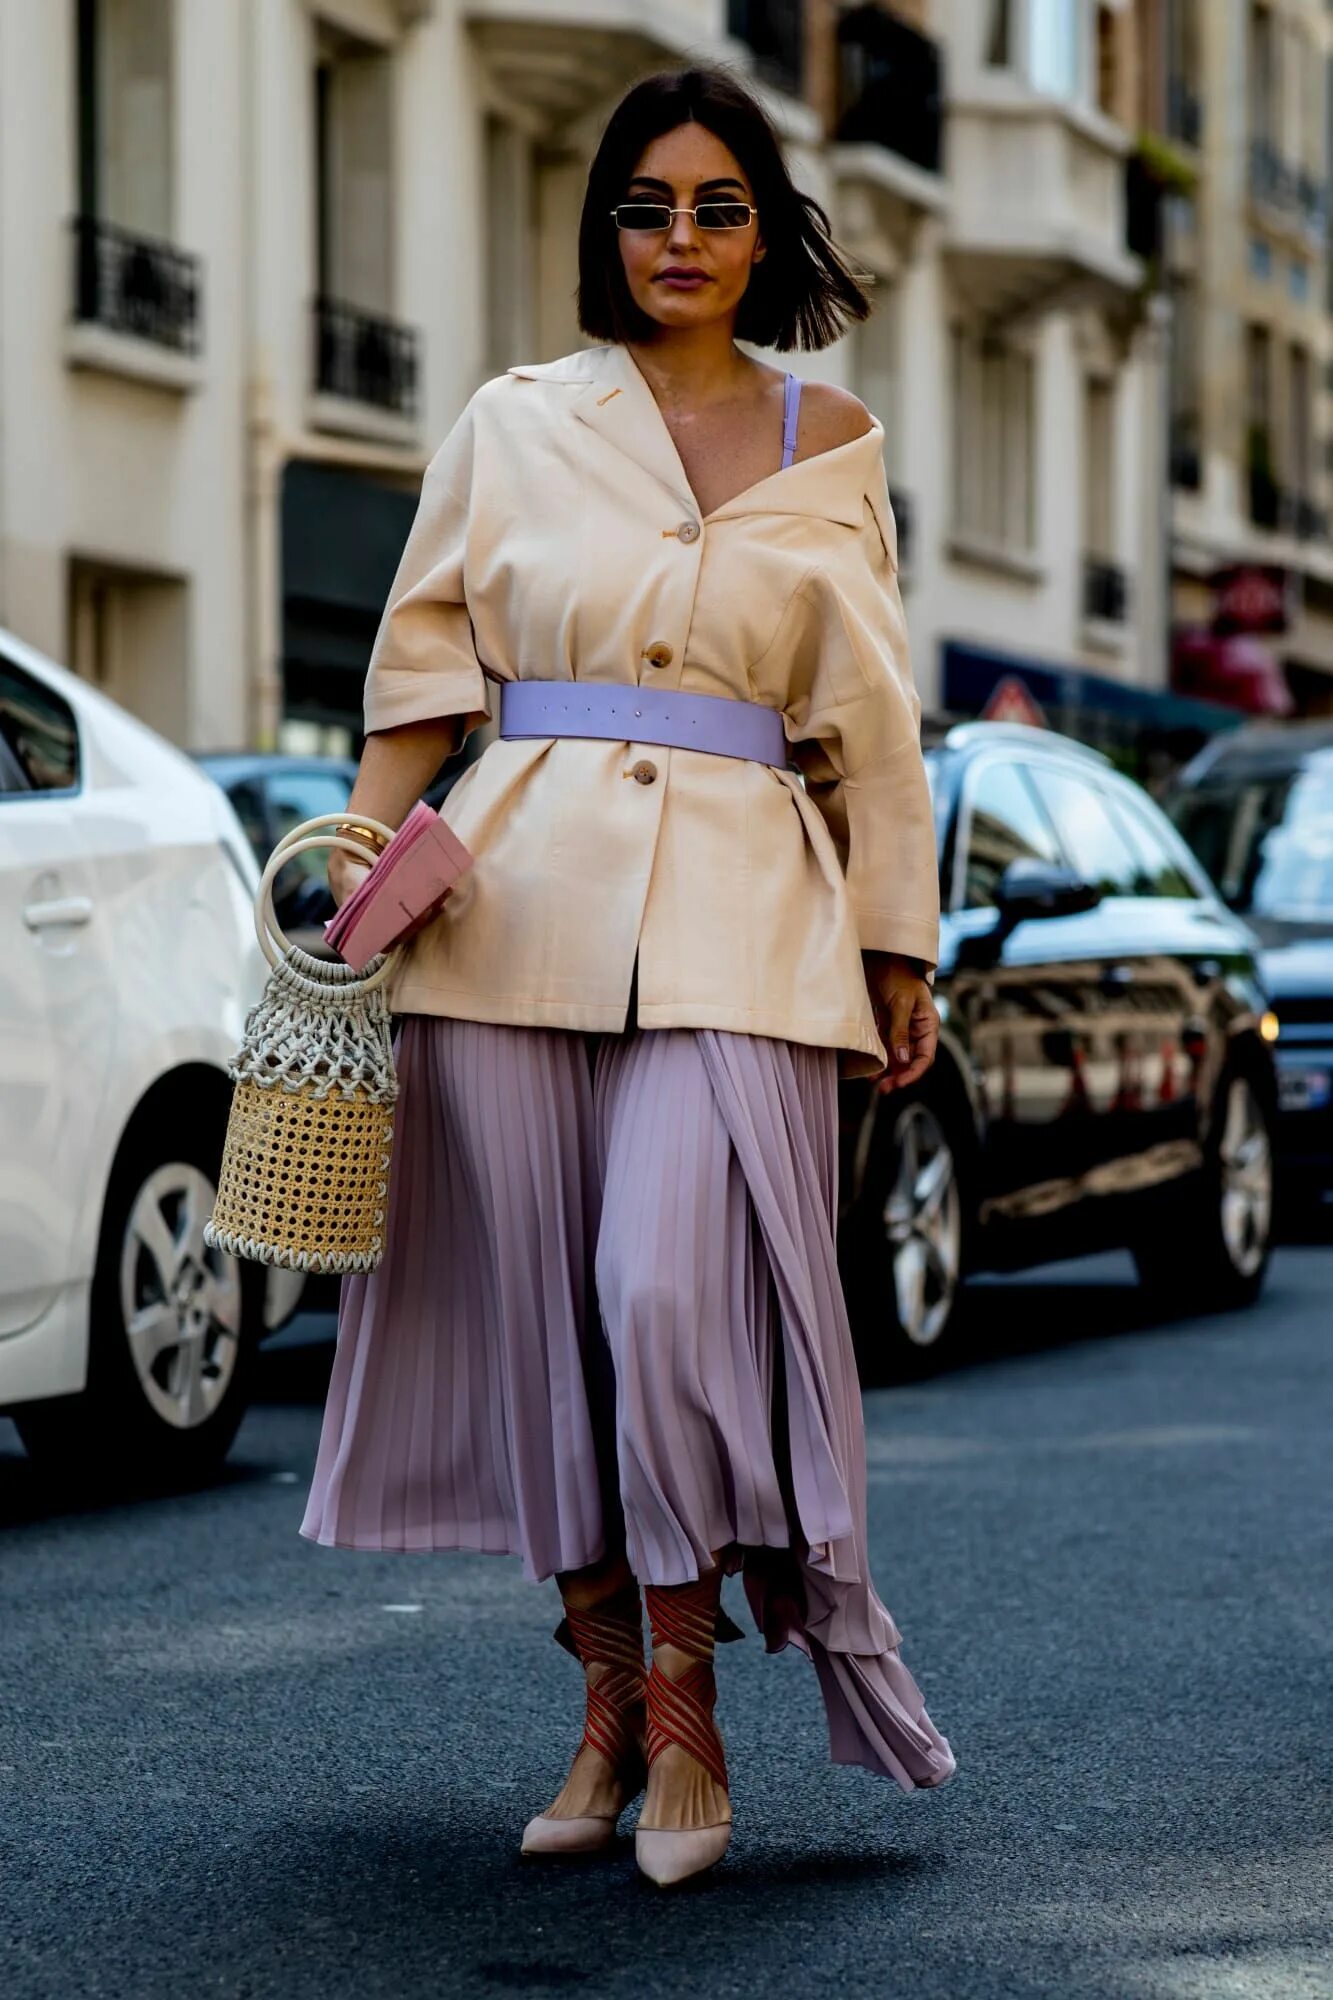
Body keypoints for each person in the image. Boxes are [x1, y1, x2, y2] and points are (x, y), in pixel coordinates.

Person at [300, 61, 956, 1888]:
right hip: (503, 917)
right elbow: (421, 676)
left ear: (766, 230)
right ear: (605, 230)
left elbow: (871, 723)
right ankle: (614, 1705)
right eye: (645, 207)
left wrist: (898, 943)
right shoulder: (514, 420)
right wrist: (352, 876)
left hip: (749, 920)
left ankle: (688, 1693)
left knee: (667, 1292)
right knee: (544, 1338)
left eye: (717, 206)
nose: (680, 239)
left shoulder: (833, 439)